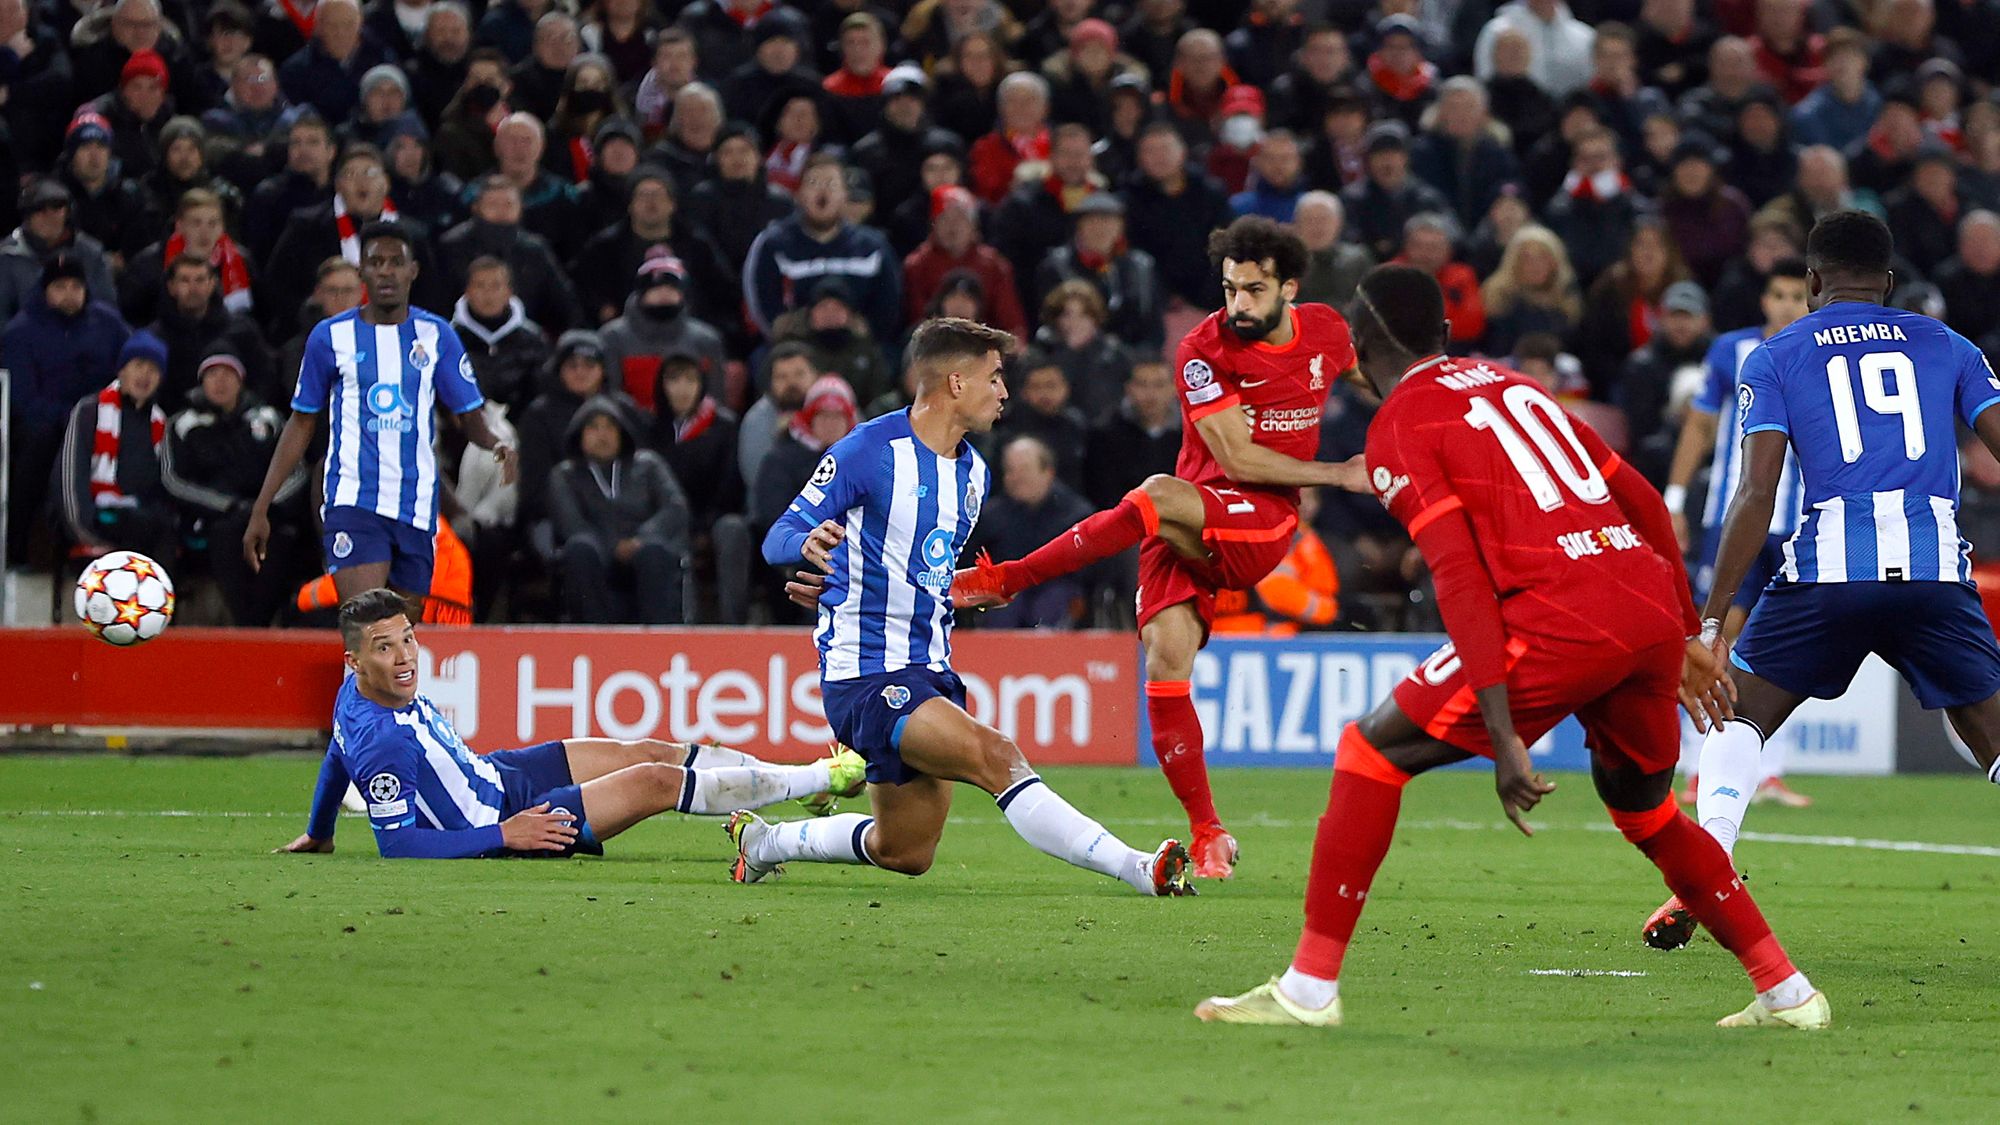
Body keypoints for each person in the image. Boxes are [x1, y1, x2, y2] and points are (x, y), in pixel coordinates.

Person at [1196, 264, 1828, 1032]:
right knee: (1647, 810)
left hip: (1557, 616)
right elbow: (1639, 498)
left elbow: (1459, 580)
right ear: (1447, 334)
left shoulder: (1398, 424)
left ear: (1358, 347)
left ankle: (1307, 989)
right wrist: (1688, 630)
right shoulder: (1510, 384)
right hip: (1637, 605)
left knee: (1369, 752)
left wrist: (1503, 737)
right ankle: (1787, 991)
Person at [953, 217, 1366, 879]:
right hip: (1196, 519)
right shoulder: (1204, 350)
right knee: (1165, 660)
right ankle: (1208, 834)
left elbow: (1382, 385)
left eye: (1255, 290)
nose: (1239, 305)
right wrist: (1339, 472)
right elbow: (1235, 454)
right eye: (1230, 289)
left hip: (1260, 522)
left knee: (1154, 495)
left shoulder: (1328, 332)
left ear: (1290, 287)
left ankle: (1010, 578)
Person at [736, 316, 1193, 897]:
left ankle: (766, 843)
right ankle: (1138, 868)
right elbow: (777, 535)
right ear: (956, 382)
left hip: (931, 668)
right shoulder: (869, 451)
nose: (1004, 391)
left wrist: (964, 588)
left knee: (903, 851)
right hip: (867, 675)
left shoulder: (974, 471)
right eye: (995, 377)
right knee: (997, 756)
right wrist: (805, 546)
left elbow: (918, 567)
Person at [1648, 211, 2000, 952]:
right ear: (1890, 284)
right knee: (1990, 733)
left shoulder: (1774, 356)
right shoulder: (1950, 345)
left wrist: (1709, 621)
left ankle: (1708, 861)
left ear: (1811, 282)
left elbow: (1755, 493)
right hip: (1936, 572)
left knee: (1737, 716)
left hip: (1827, 575)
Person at [276, 588, 866, 857]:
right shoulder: (383, 743)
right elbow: (397, 844)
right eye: (386, 648)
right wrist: (505, 836)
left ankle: (788, 780)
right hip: (512, 820)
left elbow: (335, 755)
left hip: (498, 775)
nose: (405, 658)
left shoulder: (352, 696)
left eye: (408, 639)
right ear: (356, 659)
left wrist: (321, 828)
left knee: (651, 748)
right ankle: (820, 779)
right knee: (655, 783)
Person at [244, 222, 516, 605]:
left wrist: (495, 442)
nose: (386, 270)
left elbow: (469, 416)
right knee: (365, 624)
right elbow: (301, 422)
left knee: (401, 641)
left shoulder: (436, 335)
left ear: (413, 271)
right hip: (353, 500)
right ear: (363, 273)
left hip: (417, 505)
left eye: (395, 262)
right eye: (376, 262)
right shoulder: (329, 337)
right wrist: (262, 507)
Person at [160, 352, 306, 626]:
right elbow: (173, 480)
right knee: (227, 536)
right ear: (201, 381)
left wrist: (264, 506)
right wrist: (225, 505)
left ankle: (258, 627)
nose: (220, 382)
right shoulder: (183, 423)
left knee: (283, 540)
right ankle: (248, 628)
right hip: (212, 519)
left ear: (241, 381)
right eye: (213, 374)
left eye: (228, 374)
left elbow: (297, 472)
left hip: (267, 514)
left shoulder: (269, 418)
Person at [546, 394, 689, 624]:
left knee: (655, 551)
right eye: (593, 427)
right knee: (579, 548)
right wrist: (613, 546)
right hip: (595, 556)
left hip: (642, 550)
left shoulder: (649, 464)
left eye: (610, 427)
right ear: (579, 434)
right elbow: (571, 523)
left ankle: (660, 643)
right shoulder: (564, 475)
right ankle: (594, 641)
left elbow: (676, 508)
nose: (602, 435)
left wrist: (640, 539)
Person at [58, 331, 179, 565]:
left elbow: (163, 484)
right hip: (99, 520)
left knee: (164, 527)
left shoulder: (161, 423)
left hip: (144, 523)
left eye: (153, 369)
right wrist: (85, 532)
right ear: (122, 370)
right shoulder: (89, 411)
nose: (145, 374)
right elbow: (70, 480)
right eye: (139, 365)